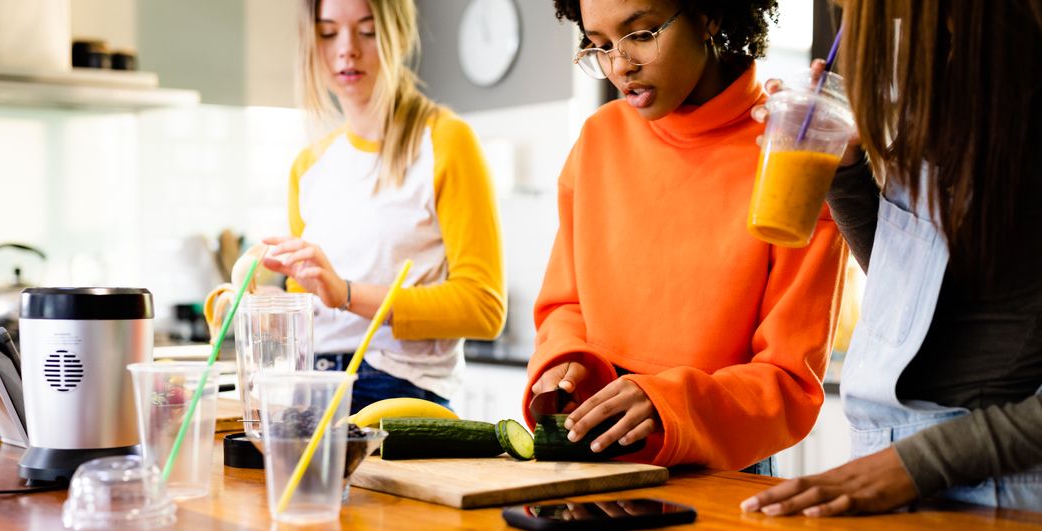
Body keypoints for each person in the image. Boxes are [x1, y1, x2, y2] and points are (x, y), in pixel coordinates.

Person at [741, 0, 1042, 517]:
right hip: (893, 463)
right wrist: (844, 170)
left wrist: (918, 463)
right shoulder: (942, 86)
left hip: (997, 488)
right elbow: (904, 290)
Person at [527, 0, 847, 473]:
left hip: (721, 465)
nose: (620, 65)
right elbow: (565, 306)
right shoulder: (598, 139)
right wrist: (563, 359)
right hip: (594, 453)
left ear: (709, 13)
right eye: (600, 46)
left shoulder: (790, 157)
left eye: (642, 34)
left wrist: (671, 404)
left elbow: (788, 381)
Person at [259, 0, 506, 413]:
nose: (346, 49)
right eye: (327, 32)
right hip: (311, 384)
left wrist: (347, 294)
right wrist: (251, 301)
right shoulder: (309, 165)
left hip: (396, 389)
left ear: (398, 35)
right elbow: (307, 297)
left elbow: (483, 308)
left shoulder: (445, 141)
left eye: (367, 30)